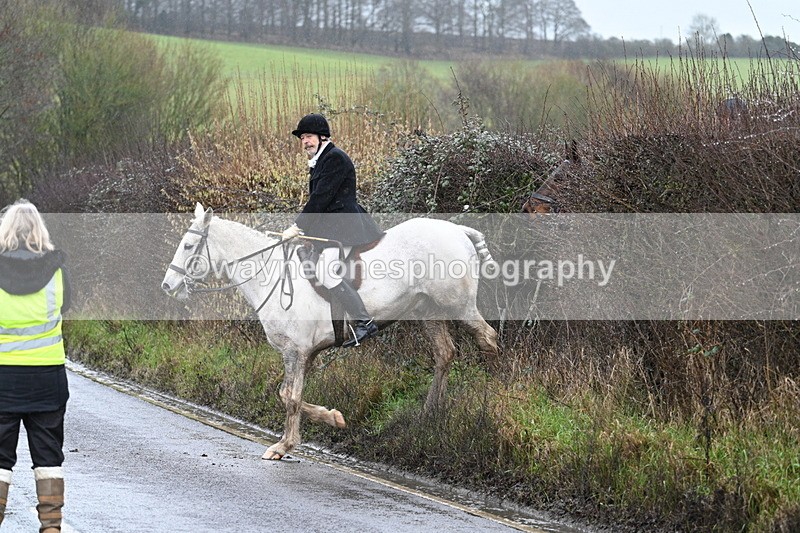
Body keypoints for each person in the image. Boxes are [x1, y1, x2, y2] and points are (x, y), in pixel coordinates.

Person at [281, 113, 384, 347]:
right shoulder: (322, 159)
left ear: (322, 136)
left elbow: (321, 198)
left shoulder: (334, 158)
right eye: (302, 138)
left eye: (308, 136)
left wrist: (298, 226)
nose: (305, 141)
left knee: (327, 273)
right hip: (332, 226)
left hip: (344, 226)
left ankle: (364, 322)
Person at [0, 199, 70, 532]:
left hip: (3, 378)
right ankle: (52, 528)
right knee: (48, 457)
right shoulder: (57, 270)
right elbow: (66, 305)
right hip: (47, 378)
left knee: (0, 459)